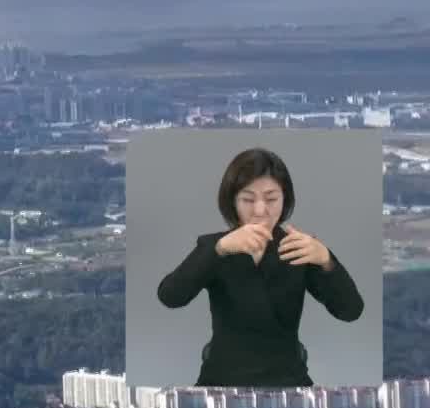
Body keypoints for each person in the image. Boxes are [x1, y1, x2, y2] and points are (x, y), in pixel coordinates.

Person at [156, 147, 364, 387]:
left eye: (271, 199)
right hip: (221, 381)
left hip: (289, 381)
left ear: (285, 200)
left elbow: (351, 311)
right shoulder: (215, 246)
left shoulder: (299, 247)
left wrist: (327, 260)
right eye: (247, 199)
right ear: (232, 201)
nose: (260, 211)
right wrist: (219, 250)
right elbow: (170, 296)